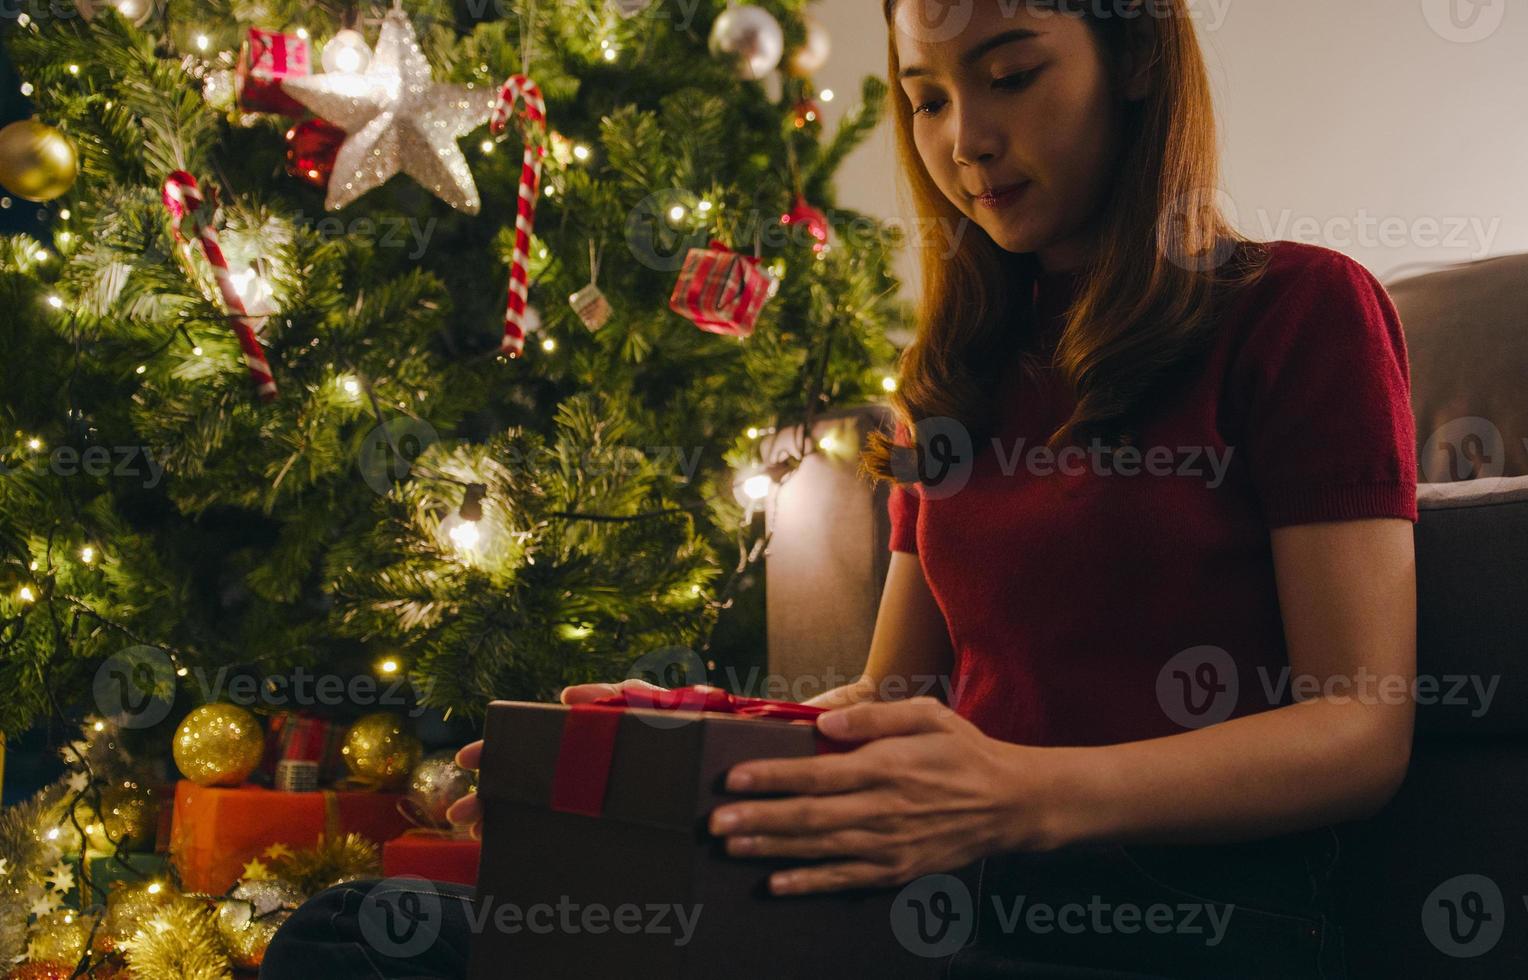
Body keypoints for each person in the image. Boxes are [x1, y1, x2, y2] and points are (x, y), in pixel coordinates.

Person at [262, 0, 1416, 976]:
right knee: (357, 932)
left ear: (1133, 66)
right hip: (937, 907)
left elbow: (1358, 731)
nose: (963, 139)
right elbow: (880, 703)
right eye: (922, 97)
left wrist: (1023, 793)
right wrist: (674, 741)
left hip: (1183, 923)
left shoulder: (1296, 311)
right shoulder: (959, 379)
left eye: (1009, 75)